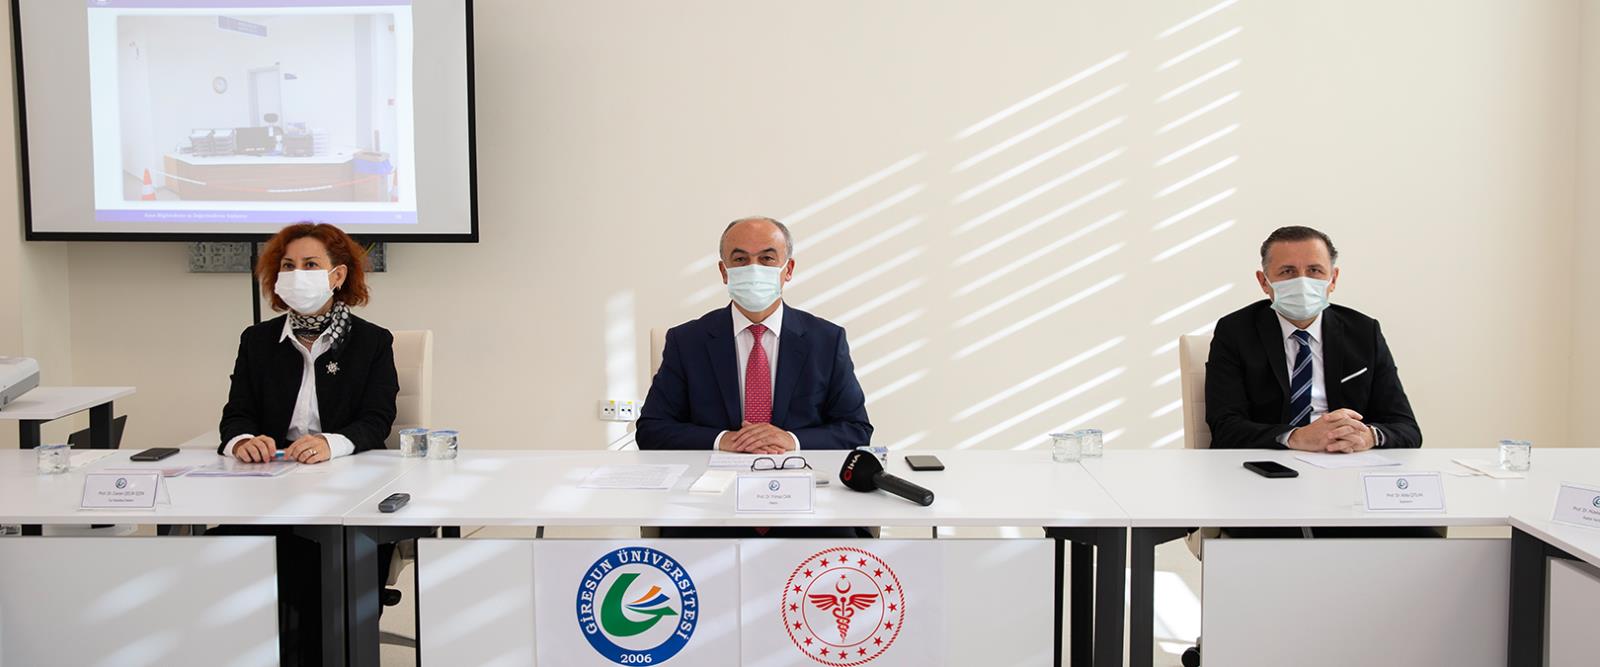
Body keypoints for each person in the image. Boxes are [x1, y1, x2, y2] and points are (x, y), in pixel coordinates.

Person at [213, 222, 398, 665]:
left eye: (310, 264)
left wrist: (332, 443)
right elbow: (236, 414)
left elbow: (377, 420)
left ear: (337, 275)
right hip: (271, 488)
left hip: (347, 490)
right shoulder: (257, 341)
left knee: (332, 579)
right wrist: (242, 441)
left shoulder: (372, 341)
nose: (297, 274)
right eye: (288, 265)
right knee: (229, 553)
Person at [638, 216, 873, 537]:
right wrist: (724, 440)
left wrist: (790, 440)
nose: (753, 268)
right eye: (740, 259)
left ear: (788, 269)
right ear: (724, 272)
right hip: (708, 511)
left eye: (766, 258)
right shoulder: (687, 341)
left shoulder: (826, 340)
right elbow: (651, 430)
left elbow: (856, 429)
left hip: (809, 509)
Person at [1204, 225, 1431, 543]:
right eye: (1287, 272)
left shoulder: (1364, 332)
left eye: (1314, 270)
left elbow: (1407, 429)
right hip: (1267, 481)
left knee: (1421, 540)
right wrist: (1297, 437)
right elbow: (1225, 427)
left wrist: (1367, 436)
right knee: (1289, 543)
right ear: (1264, 282)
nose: (1303, 281)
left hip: (1350, 481)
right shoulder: (1235, 332)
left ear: (1333, 279)